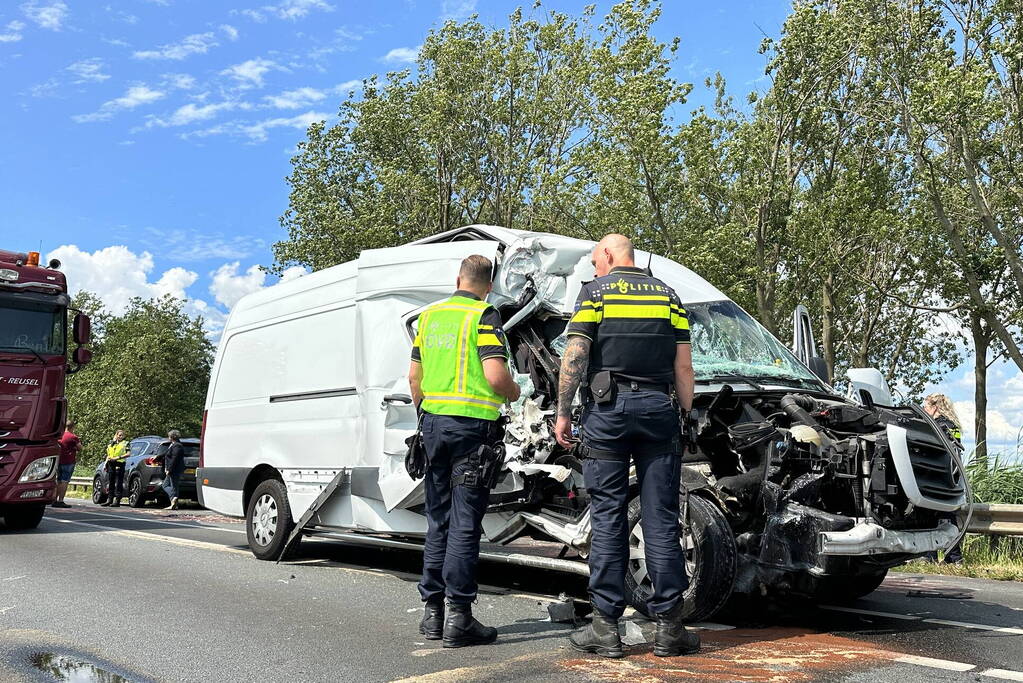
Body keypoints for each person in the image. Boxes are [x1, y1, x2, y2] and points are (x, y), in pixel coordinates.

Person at [554, 234, 699, 659]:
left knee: (609, 518)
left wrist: (563, 412)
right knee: (661, 518)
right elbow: (684, 367)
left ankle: (605, 628)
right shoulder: (669, 296)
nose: (594, 268)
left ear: (607, 254)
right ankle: (670, 627)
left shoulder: (595, 294)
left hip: (607, 413)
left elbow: (575, 355)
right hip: (659, 412)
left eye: (594, 261)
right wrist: (684, 414)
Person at [408, 254, 521, 648]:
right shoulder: (484, 316)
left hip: (433, 427)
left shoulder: (429, 317)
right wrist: (514, 391)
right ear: (488, 286)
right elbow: (495, 375)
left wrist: (426, 416)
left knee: (438, 520)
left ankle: (432, 614)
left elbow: (414, 378)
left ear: (458, 280)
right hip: (473, 431)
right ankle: (459, 616)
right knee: (464, 523)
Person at [923, 393, 964, 564]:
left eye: (926, 406)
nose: (924, 409)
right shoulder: (952, 426)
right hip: (950, 478)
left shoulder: (937, 426)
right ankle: (951, 558)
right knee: (946, 517)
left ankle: (934, 557)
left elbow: (932, 451)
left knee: (930, 515)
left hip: (937, 476)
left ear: (935, 407)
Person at [53, 420, 81, 508]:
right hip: (69, 461)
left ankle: (54, 499)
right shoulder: (73, 437)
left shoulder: (59, 436)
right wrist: (74, 448)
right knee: (65, 481)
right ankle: (61, 500)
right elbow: (80, 448)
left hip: (59, 460)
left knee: (58, 480)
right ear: (73, 427)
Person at [101, 429, 130, 507]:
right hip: (111, 464)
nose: (120, 437)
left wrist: (118, 457)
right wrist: (105, 464)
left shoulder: (125, 443)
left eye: (122, 435)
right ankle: (109, 499)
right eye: (119, 435)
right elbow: (108, 454)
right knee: (111, 482)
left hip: (119, 463)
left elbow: (128, 454)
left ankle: (117, 500)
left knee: (119, 483)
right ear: (116, 435)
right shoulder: (112, 443)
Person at [161, 429, 185, 510]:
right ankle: (174, 503)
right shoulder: (174, 444)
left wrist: (169, 469)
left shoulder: (177, 445)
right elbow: (167, 454)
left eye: (169, 436)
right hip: (173, 469)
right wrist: (157, 457)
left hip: (174, 469)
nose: (168, 438)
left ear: (172, 437)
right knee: (172, 486)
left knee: (169, 486)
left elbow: (174, 458)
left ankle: (173, 498)